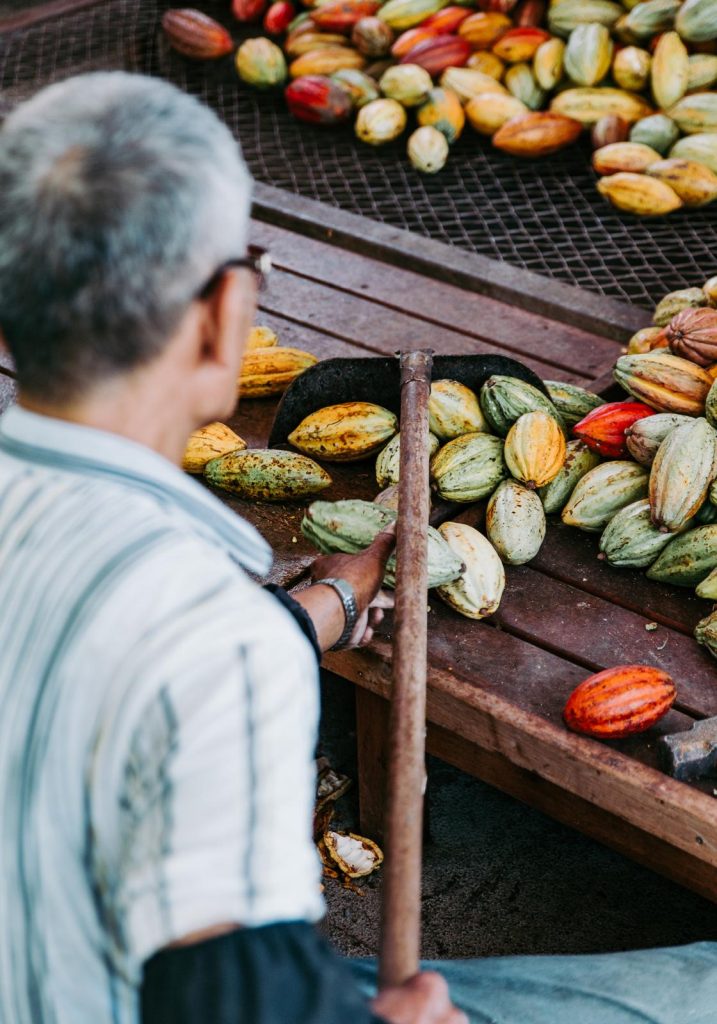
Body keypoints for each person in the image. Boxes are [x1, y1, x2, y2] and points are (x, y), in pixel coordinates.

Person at [0, 72, 715, 1024]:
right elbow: (227, 1003)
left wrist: (315, 613)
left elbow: (87, 652)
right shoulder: (214, 641)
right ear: (224, 313)